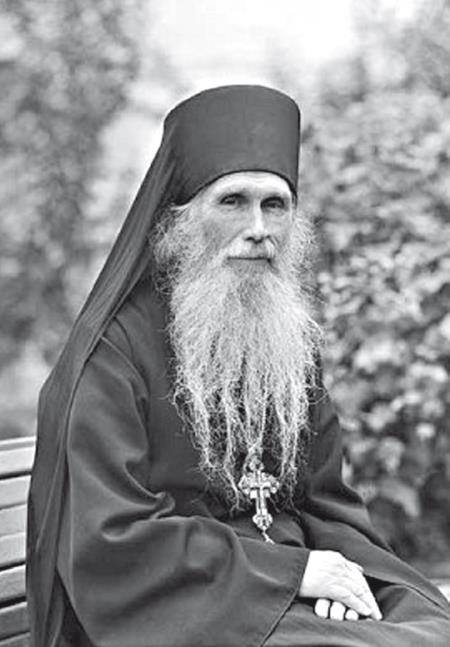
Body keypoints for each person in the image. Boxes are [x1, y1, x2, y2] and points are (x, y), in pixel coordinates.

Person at [27, 85, 450, 647]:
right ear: (177, 220)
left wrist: (340, 575)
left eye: (275, 205)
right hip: (180, 609)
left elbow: (327, 502)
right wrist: (295, 573)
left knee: (430, 623)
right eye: (232, 202)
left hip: (289, 591)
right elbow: (110, 540)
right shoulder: (113, 352)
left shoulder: (285, 341)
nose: (258, 228)